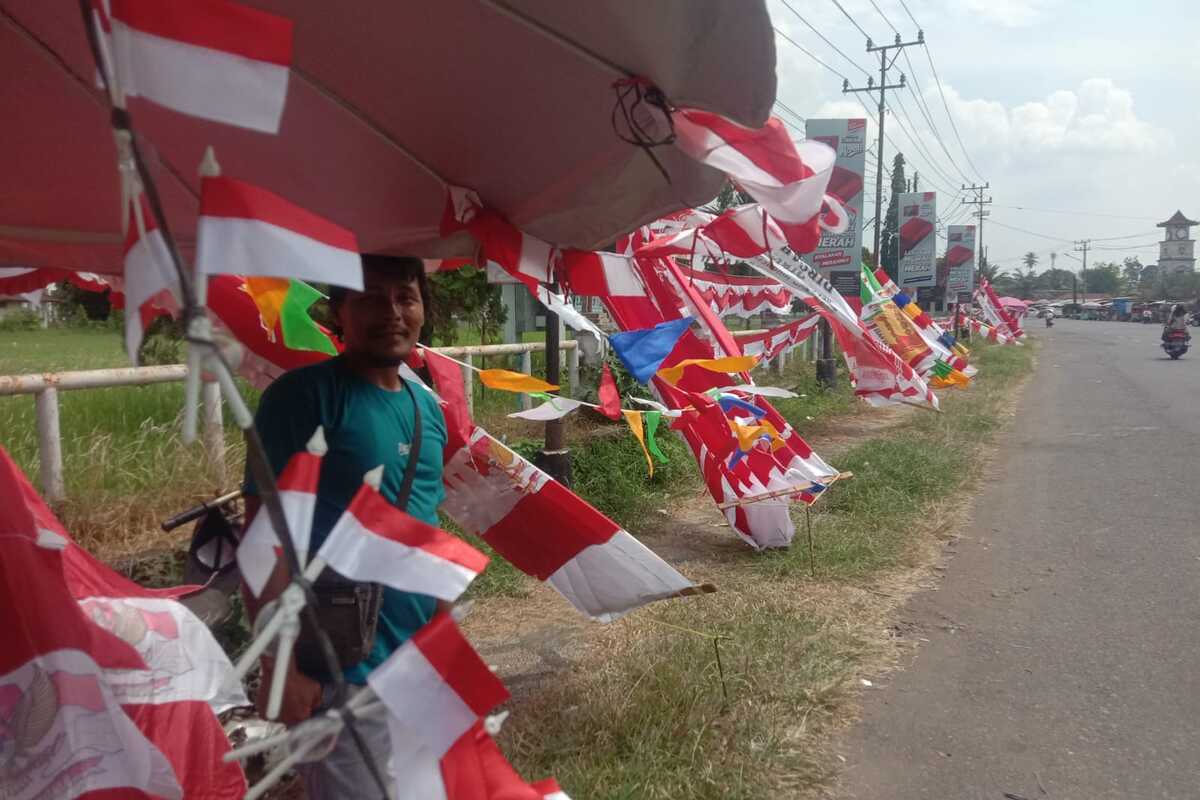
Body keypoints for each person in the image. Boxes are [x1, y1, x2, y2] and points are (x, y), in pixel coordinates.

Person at [240, 254, 447, 798]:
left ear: (423, 307)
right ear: (338, 312)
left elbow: (424, 521)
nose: (392, 312)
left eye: (405, 297)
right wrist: (279, 663)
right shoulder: (302, 398)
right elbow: (264, 536)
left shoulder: (427, 407)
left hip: (416, 656)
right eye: (370, 298)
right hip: (335, 662)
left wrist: (444, 630)